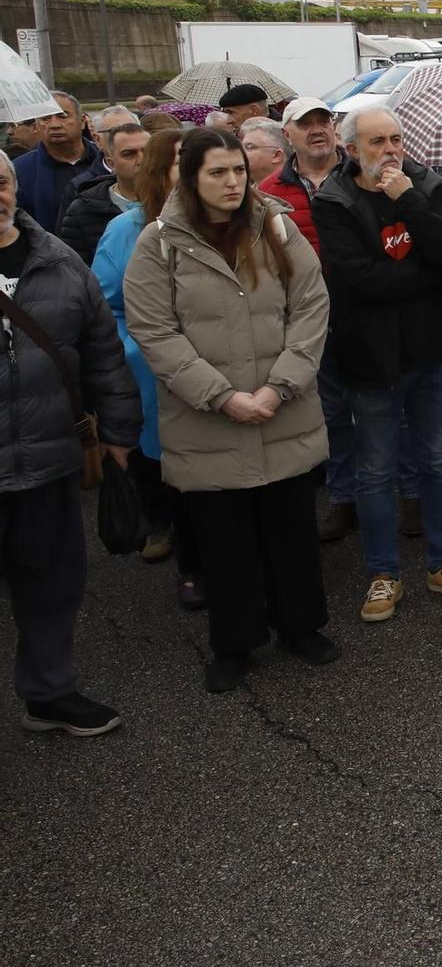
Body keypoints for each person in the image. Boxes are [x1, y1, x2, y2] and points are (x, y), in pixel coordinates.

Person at [122, 129, 333, 693]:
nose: (233, 182)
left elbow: (311, 305)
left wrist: (279, 386)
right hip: (206, 418)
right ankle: (234, 643)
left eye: (238, 170)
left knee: (290, 527)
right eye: (218, 172)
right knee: (225, 539)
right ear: (190, 178)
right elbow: (153, 330)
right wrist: (220, 395)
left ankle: (301, 625)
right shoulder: (159, 243)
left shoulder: (276, 226)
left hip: (282, 407)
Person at [312, 109, 442, 623]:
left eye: (395, 139)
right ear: (351, 149)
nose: (389, 150)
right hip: (370, 356)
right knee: (375, 469)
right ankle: (383, 572)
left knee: (436, 460)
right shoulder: (334, 199)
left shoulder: (427, 186)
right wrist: (423, 274)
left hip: (432, 348)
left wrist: (405, 200)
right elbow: (358, 280)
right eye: (376, 141)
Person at [0, 150, 141, 735]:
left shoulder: (56, 259)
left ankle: (50, 692)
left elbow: (103, 351)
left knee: (52, 585)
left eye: (2, 181)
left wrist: (117, 431)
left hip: (48, 460)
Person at [94, 128, 207, 607]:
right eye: (182, 162)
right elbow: (103, 305)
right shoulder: (126, 231)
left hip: (220, 365)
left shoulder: (223, 222)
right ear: (161, 173)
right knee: (171, 467)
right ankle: (189, 558)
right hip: (153, 368)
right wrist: (140, 349)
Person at [260, 97, 343, 255]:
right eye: (305, 124)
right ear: (287, 135)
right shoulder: (268, 191)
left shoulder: (361, 177)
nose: (317, 130)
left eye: (324, 122)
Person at [13, 93, 107, 233]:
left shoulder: (106, 160)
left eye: (63, 116)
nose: (54, 125)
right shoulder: (20, 170)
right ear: (37, 125)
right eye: (45, 118)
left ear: (82, 122)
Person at [57, 120, 147, 264]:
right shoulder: (82, 210)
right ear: (112, 164)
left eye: (147, 152)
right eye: (129, 154)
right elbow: (75, 270)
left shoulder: (173, 202)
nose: (141, 160)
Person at [238, 117, 287, 183]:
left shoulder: (294, 191)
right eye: (241, 147)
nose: (241, 152)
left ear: (277, 155)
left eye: (249, 148)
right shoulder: (242, 191)